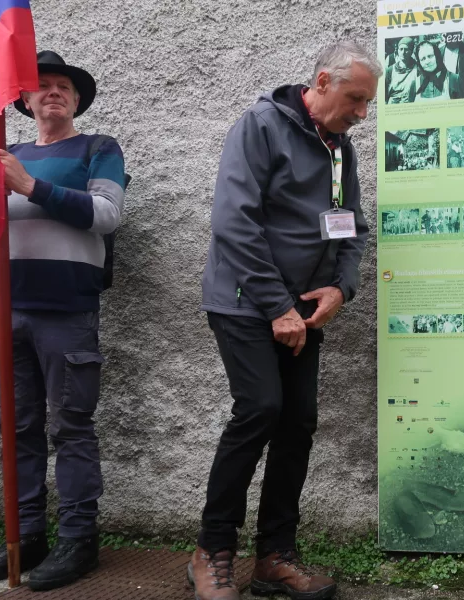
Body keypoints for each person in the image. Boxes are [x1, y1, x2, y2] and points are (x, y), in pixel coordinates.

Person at [193, 41, 378, 600]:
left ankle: (274, 556)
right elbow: (234, 221)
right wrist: (276, 306)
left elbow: (352, 227)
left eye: (368, 103)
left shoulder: (339, 148)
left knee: (297, 421)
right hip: (245, 302)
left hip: (302, 310)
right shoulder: (260, 126)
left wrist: (341, 288)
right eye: (355, 99)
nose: (362, 114)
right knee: (260, 409)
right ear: (321, 82)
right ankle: (212, 550)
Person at [0, 51, 126, 591]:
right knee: (16, 429)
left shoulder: (98, 149)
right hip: (5, 311)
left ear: (76, 100)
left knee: (71, 427)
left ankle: (79, 539)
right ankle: (25, 535)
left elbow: (106, 215)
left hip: (68, 312)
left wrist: (30, 186)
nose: (53, 92)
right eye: (42, 86)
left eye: (63, 87)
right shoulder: (3, 153)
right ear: (24, 101)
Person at [385, 37, 417, 104]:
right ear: (398, 51)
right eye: (401, 49)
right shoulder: (390, 70)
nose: (403, 52)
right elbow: (384, 93)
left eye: (406, 49)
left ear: (411, 51)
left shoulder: (417, 69)